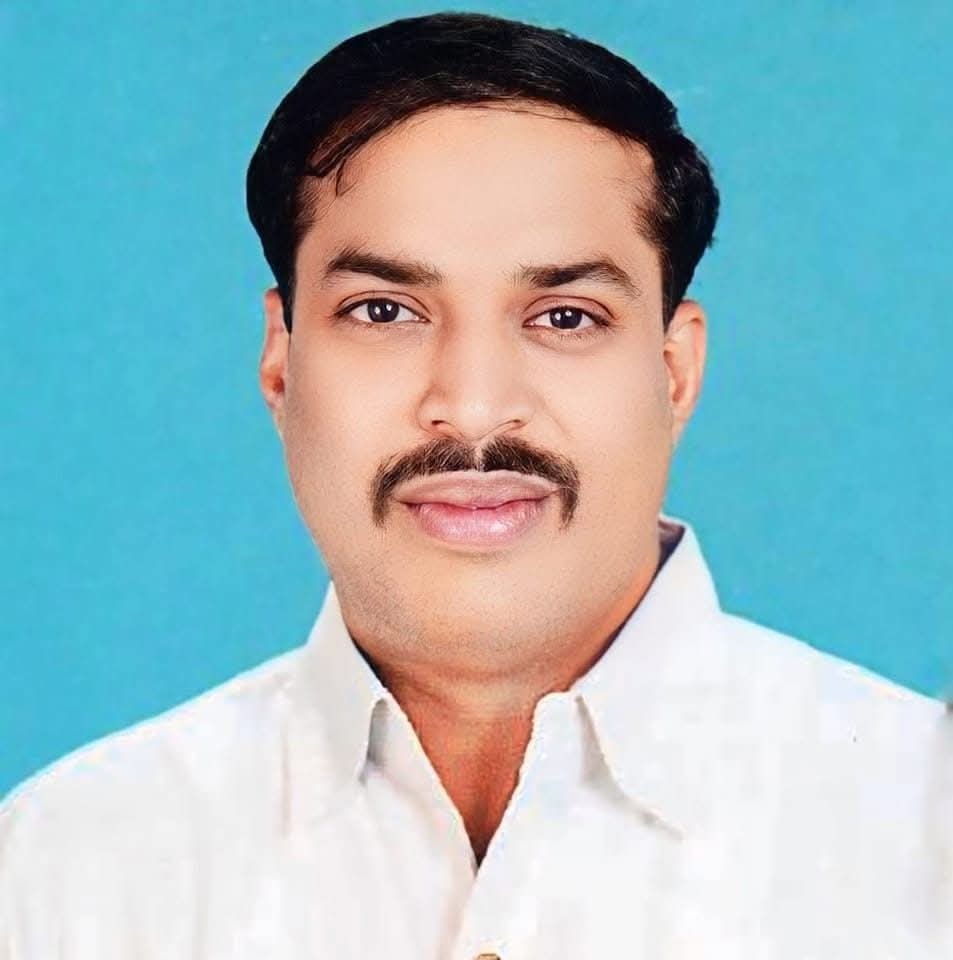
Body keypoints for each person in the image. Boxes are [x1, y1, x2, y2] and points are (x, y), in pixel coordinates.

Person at [2, 10, 950, 959]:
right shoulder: (59, 868)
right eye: (384, 310)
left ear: (674, 373)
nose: (473, 407)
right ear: (282, 364)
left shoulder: (920, 821)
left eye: (565, 317)